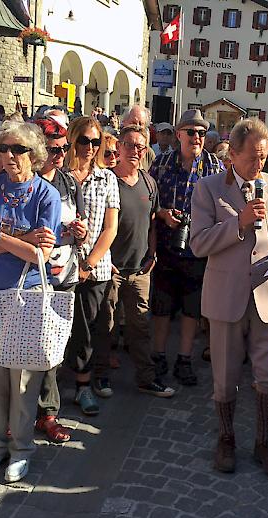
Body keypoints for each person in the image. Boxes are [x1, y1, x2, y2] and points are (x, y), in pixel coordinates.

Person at [191, 118, 268, 477]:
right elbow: (198, 243)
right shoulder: (208, 188)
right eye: (253, 158)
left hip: (267, 298)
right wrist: (238, 223)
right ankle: (226, 438)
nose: (260, 165)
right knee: (225, 379)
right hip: (225, 298)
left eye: (264, 158)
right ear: (233, 155)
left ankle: (264, 441)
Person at [0, 121, 61, 482]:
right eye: (4, 149)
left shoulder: (46, 195)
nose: (10, 156)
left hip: (25, 298)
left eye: (18, 149)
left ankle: (21, 448)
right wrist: (21, 240)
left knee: (23, 381)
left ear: (34, 154)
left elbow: (41, 254)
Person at [91, 125, 175, 399]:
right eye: (130, 145)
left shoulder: (149, 183)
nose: (135, 151)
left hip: (140, 269)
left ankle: (146, 378)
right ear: (120, 148)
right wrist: (103, 258)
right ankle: (101, 376)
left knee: (140, 327)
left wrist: (152, 254)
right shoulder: (107, 181)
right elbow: (98, 226)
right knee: (107, 326)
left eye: (141, 147)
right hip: (111, 268)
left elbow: (151, 223)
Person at [149, 109, 222, 385]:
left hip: (198, 249)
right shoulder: (162, 164)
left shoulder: (215, 167)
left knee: (192, 309)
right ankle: (158, 356)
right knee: (162, 306)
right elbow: (149, 201)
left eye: (201, 133)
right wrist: (163, 213)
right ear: (179, 134)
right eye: (191, 132)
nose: (197, 138)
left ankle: (184, 359)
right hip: (168, 245)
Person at [34, 117, 88, 442]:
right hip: (29, 276)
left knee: (52, 348)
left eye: (64, 148)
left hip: (63, 275)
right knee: (25, 346)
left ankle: (48, 413)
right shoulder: (25, 182)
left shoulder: (70, 183)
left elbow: (81, 228)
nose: (60, 154)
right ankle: (21, 412)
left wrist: (80, 233)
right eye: (54, 149)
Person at [64, 116, 119, 416]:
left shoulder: (107, 178)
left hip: (93, 268)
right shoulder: (59, 174)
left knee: (86, 331)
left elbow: (110, 228)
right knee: (58, 328)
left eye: (95, 142)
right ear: (73, 139)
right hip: (60, 266)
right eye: (84, 140)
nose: (90, 147)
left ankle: (83, 386)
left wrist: (89, 262)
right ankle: (52, 387)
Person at [121, 105, 155, 171]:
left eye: (141, 124)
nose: (137, 127)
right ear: (124, 122)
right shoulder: (113, 148)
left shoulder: (148, 153)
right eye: (133, 123)